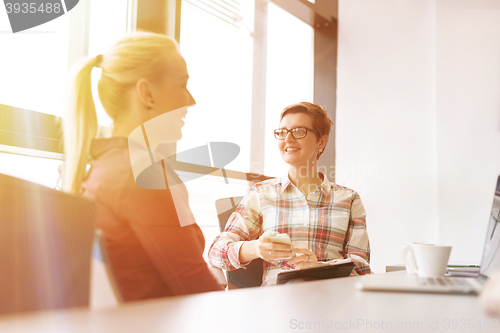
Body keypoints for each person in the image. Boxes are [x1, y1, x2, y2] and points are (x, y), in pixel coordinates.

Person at [62, 32, 222, 301]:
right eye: (182, 85)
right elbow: (197, 289)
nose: (191, 100)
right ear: (146, 93)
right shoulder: (138, 175)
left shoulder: (106, 167)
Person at [208, 102, 371, 286]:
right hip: (274, 305)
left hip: (331, 301)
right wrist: (256, 248)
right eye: (282, 132)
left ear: (321, 141)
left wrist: (319, 269)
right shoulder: (262, 193)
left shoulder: (349, 199)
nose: (289, 139)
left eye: (299, 131)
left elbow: (362, 267)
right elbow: (216, 252)